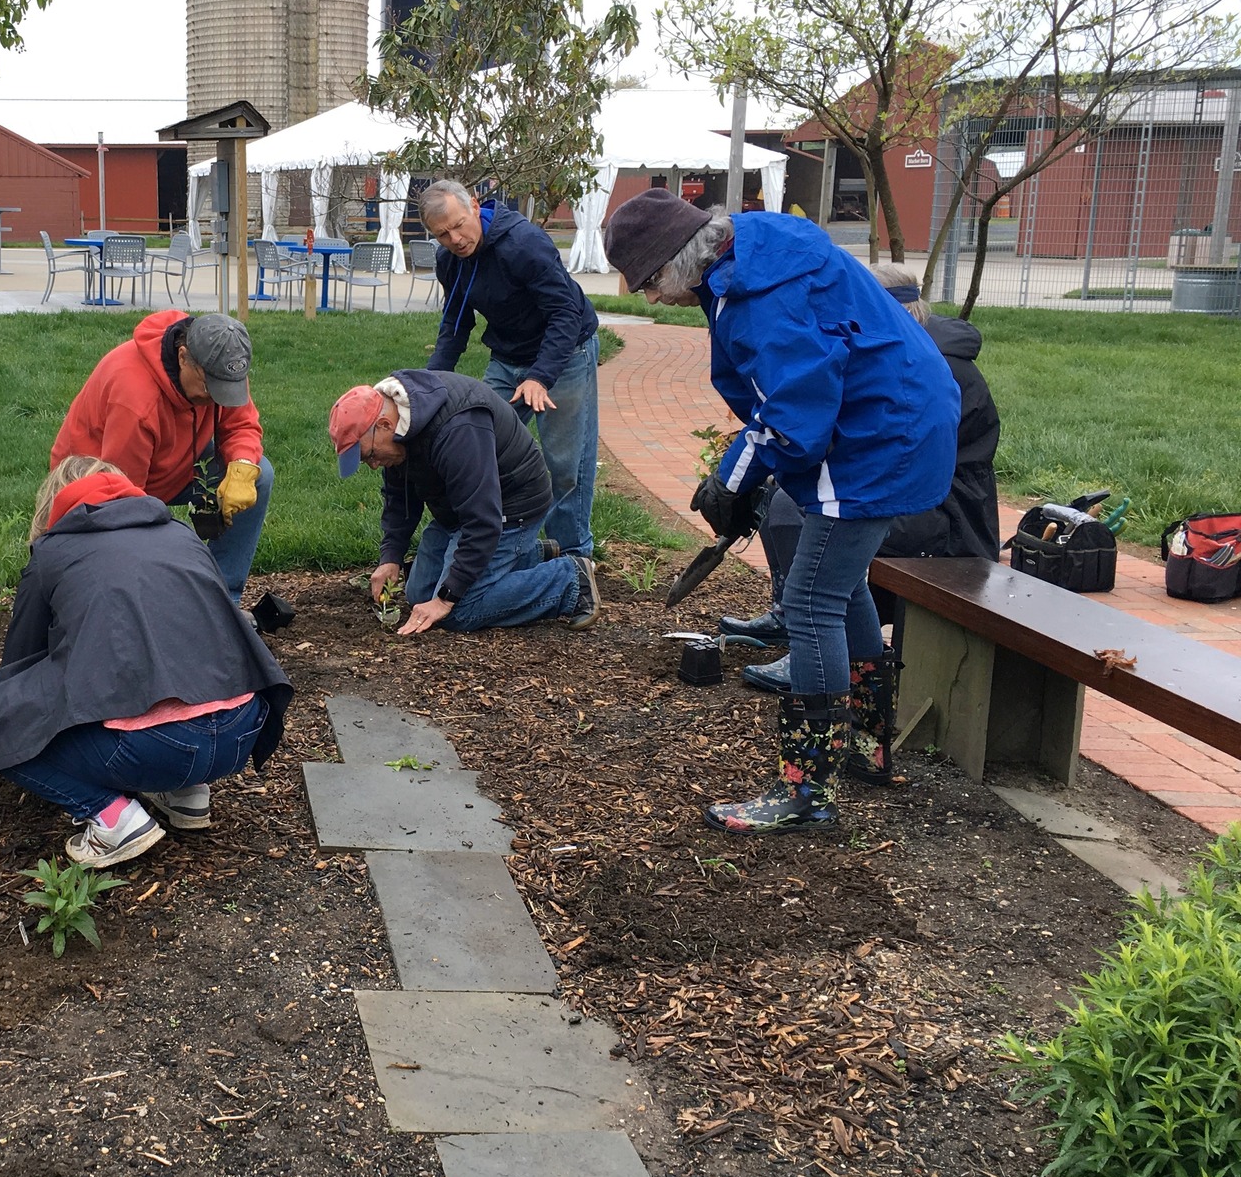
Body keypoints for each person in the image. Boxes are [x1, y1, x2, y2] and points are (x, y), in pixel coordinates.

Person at [605, 191, 957, 833]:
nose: (652, 299)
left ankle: (806, 791)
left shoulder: (764, 299)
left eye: (651, 282)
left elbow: (796, 417)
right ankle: (865, 747)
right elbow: (797, 398)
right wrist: (751, 473)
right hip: (892, 419)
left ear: (682, 258)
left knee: (810, 601)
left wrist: (732, 478)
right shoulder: (753, 249)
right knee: (843, 585)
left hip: (879, 436)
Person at [0, 457, 292, 869]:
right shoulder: (181, 535)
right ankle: (188, 795)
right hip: (241, 731)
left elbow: (21, 664)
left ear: (54, 503)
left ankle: (113, 818)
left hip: (149, 749)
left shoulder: (52, 552)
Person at [729, 263, 1002, 692]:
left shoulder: (927, 368)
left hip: (942, 512)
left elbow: (897, 456)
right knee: (789, 507)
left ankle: (813, 683)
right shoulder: (894, 354)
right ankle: (863, 737)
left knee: (813, 589)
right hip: (901, 493)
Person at [327, 369, 599, 636]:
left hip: (510, 509)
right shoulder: (398, 427)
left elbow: (483, 522)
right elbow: (400, 500)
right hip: (460, 511)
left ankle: (569, 579)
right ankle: (528, 555)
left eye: (370, 455)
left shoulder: (458, 429)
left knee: (459, 609)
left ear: (385, 425)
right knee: (419, 594)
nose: (373, 465)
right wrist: (391, 558)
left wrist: (446, 600)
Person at [422, 179, 602, 557]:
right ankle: (492, 543)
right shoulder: (450, 261)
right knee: (478, 447)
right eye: (442, 234)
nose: (455, 239)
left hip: (566, 353)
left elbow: (565, 314)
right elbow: (455, 324)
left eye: (458, 224)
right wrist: (428, 384)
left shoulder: (525, 245)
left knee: (565, 463)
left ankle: (573, 556)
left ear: (473, 204)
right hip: (506, 359)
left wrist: (540, 376)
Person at [50, 310, 270, 606]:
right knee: (130, 544)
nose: (217, 398)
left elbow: (241, 425)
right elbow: (122, 503)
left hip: (171, 460)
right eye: (211, 388)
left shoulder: (218, 362)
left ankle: (221, 603)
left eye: (226, 389)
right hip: (98, 481)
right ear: (182, 357)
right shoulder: (135, 399)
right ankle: (130, 605)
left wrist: (243, 466)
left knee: (261, 474)